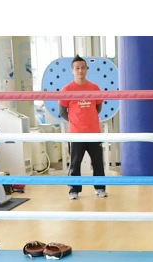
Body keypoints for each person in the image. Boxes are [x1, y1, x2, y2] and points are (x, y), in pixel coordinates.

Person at [58, 55, 107, 200]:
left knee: (98, 162)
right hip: (76, 134)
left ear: (87, 69)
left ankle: (100, 188)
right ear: (72, 70)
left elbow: (98, 107)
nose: (80, 71)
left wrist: (88, 119)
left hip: (94, 133)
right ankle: (74, 190)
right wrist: (75, 122)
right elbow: (62, 111)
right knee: (75, 163)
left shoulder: (94, 87)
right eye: (77, 68)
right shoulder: (66, 89)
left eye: (83, 68)